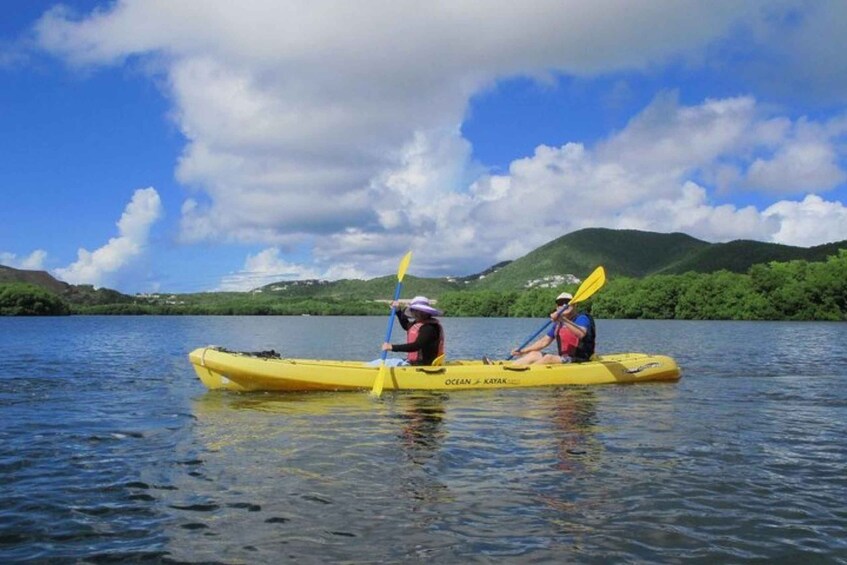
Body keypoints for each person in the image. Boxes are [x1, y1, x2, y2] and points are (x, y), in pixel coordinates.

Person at [510, 292, 596, 365]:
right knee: (533, 354)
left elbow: (581, 333)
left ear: (575, 304)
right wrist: (523, 351)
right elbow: (544, 341)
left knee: (548, 358)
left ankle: (524, 375)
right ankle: (509, 370)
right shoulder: (558, 323)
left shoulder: (582, 318)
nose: (563, 305)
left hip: (580, 360)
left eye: (567, 302)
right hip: (563, 358)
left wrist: (563, 319)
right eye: (560, 303)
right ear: (557, 307)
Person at [381, 296, 445, 366]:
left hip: (423, 365)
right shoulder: (418, 324)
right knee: (377, 362)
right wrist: (398, 311)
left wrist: (392, 347)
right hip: (414, 363)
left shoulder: (429, 327)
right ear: (412, 312)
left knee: (380, 364)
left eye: (422, 311)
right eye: (416, 310)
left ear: (427, 312)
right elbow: (406, 326)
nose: (419, 314)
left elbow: (416, 346)